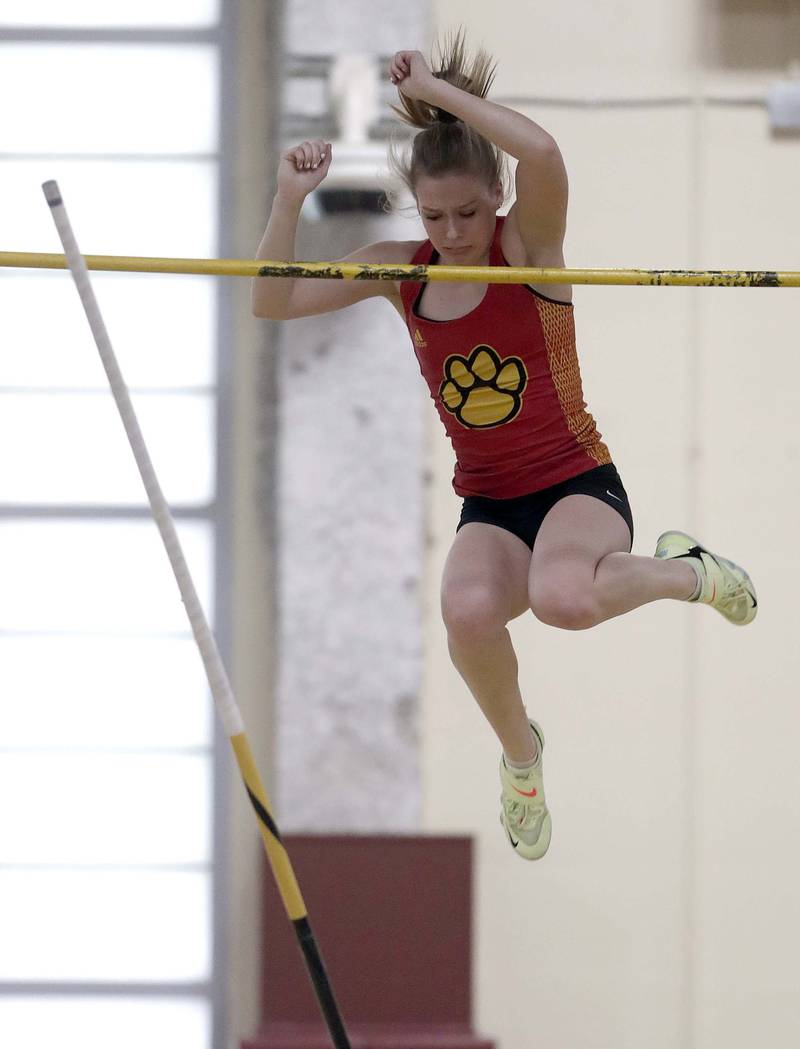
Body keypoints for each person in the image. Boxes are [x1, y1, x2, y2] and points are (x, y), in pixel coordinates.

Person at [252, 31, 757, 861]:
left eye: (469, 212)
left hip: (575, 481)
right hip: (488, 498)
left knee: (564, 597)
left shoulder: (528, 251)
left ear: (497, 197)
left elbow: (546, 151)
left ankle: (690, 571)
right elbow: (272, 305)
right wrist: (287, 200)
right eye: (435, 214)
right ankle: (523, 761)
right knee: (467, 613)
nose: (452, 231)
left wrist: (444, 99)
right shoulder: (401, 270)